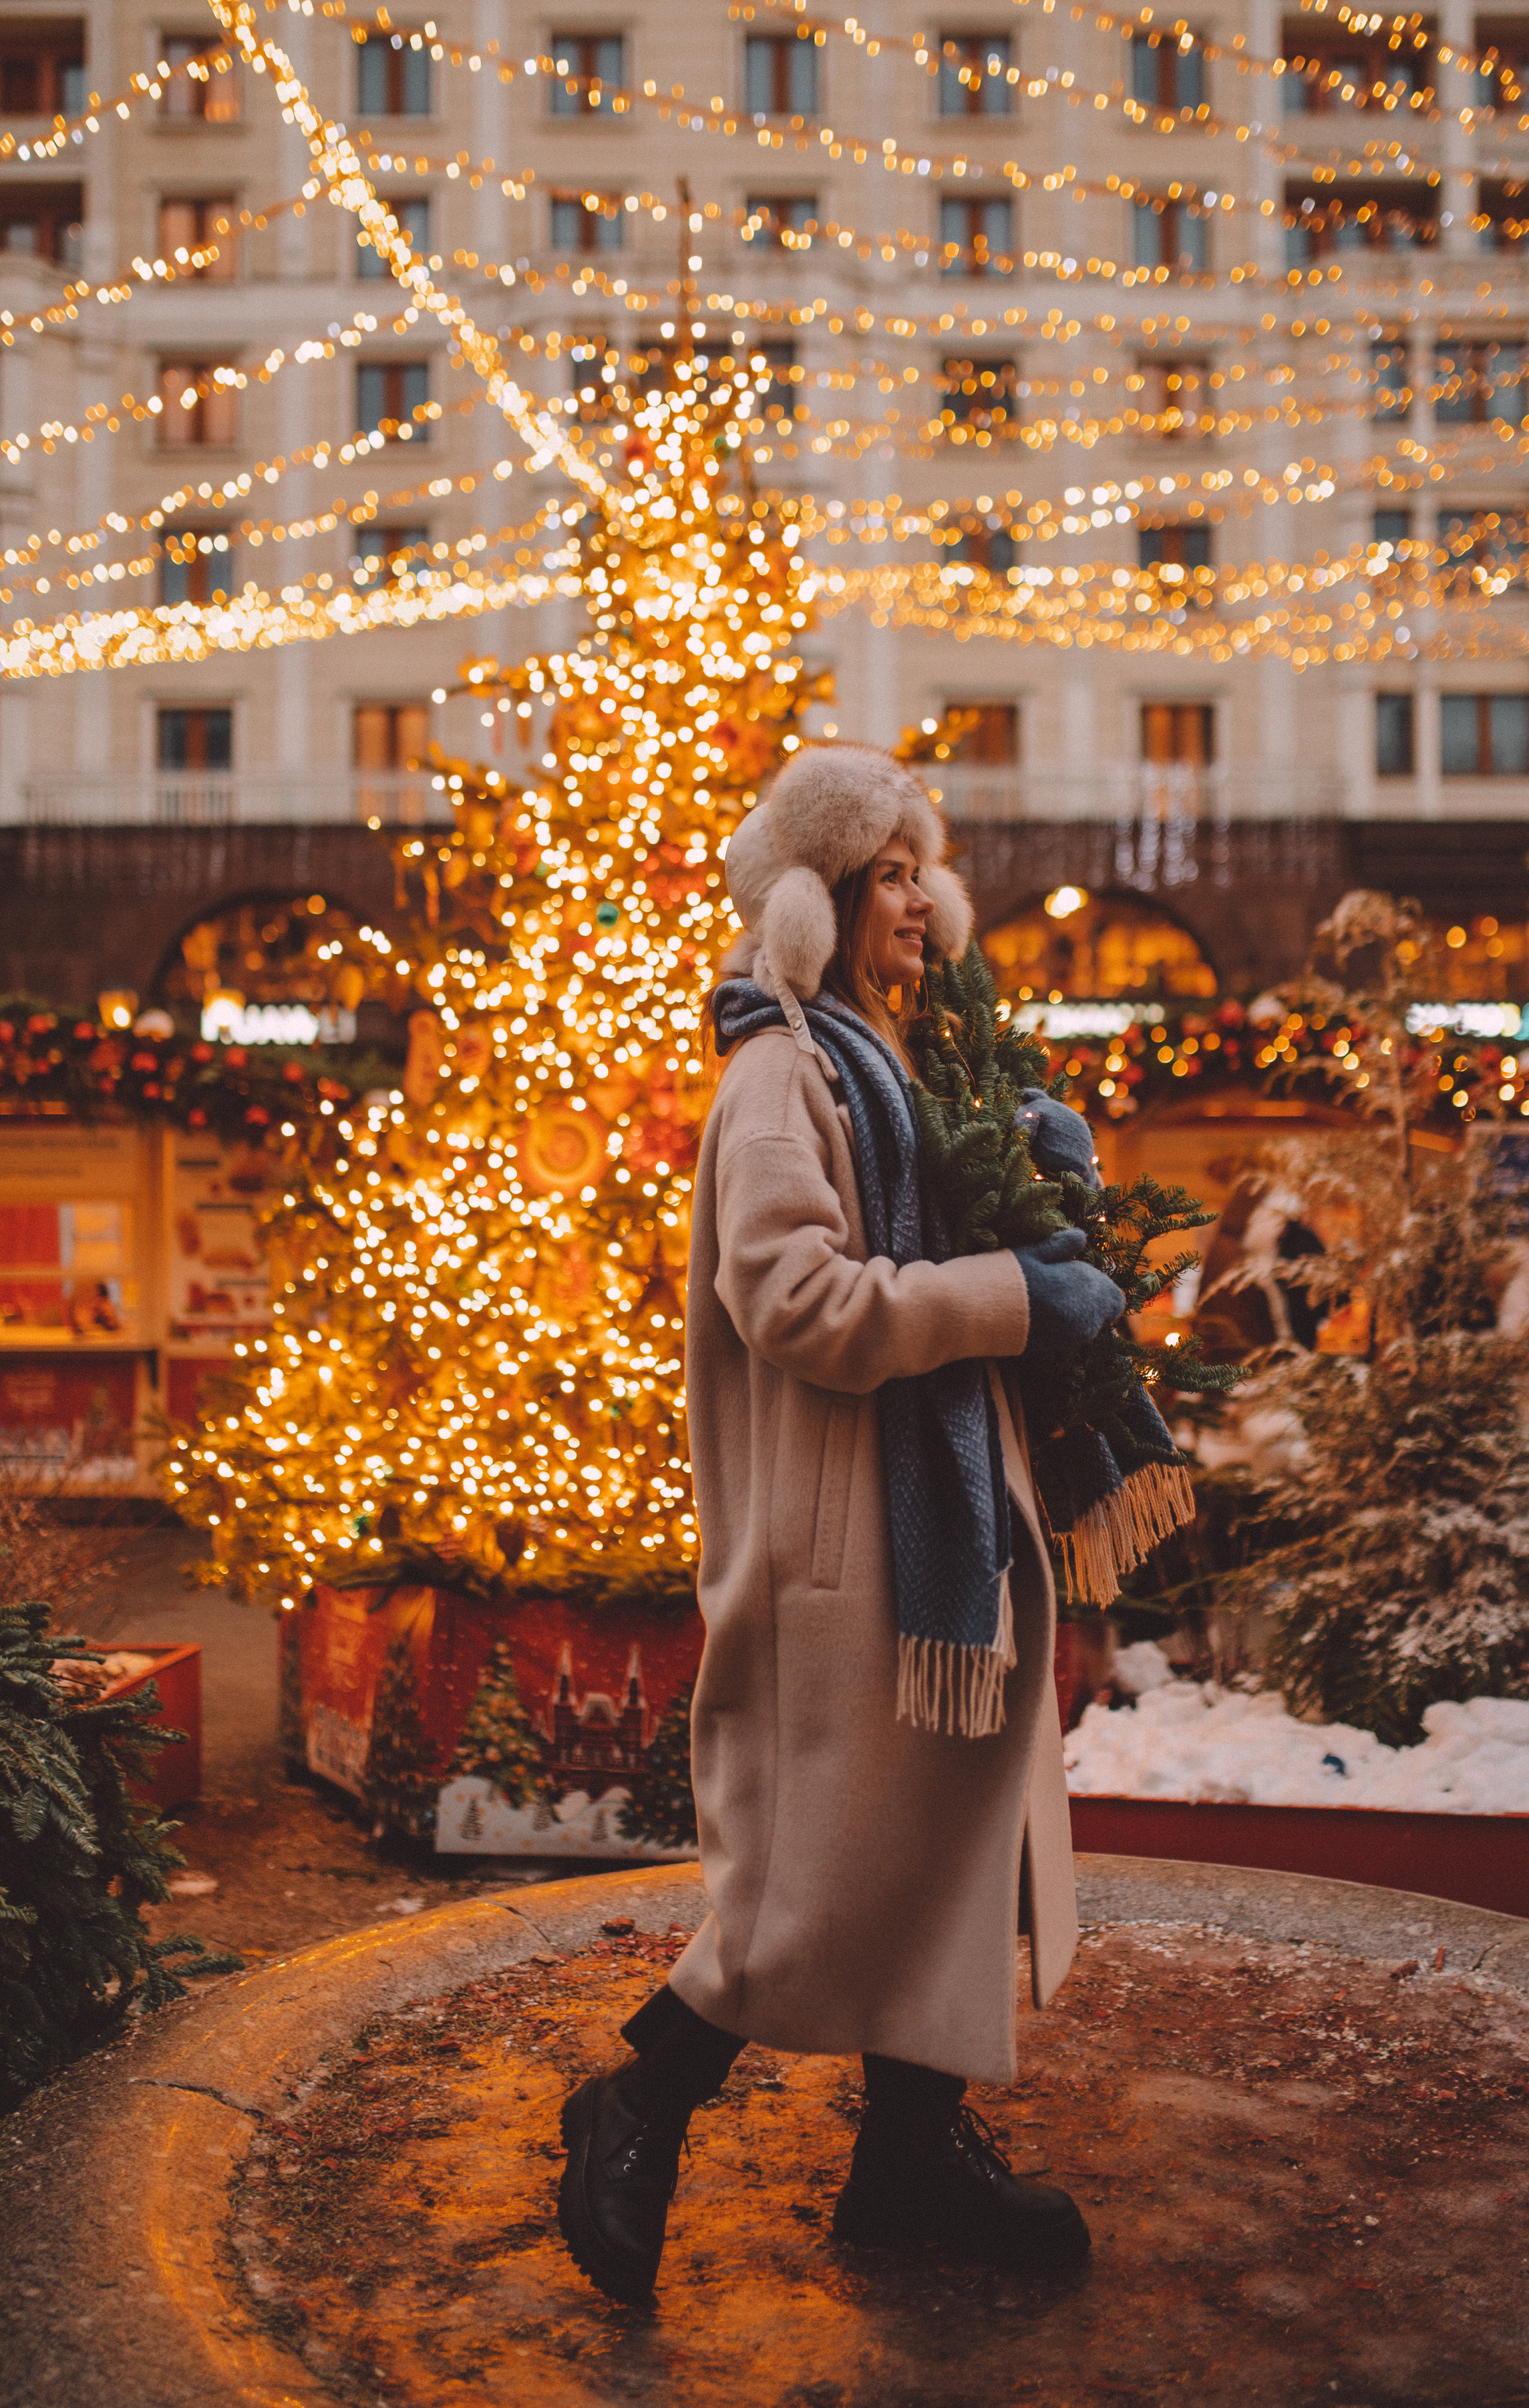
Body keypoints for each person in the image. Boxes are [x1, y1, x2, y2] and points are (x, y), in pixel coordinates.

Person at [556, 745, 1125, 2309]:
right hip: (842, 1547)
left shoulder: (903, 1074)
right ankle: (640, 2097)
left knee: (947, 1853)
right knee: (815, 1880)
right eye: (885, 875)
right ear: (815, 897)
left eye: (919, 874)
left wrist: (1033, 1192)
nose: (918, 906)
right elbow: (795, 1299)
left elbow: (933, 1236)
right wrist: (1016, 1294)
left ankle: (904, 2155)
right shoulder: (779, 1074)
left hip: (931, 1528)